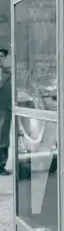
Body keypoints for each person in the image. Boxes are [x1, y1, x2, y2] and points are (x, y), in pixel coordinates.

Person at [0, 47, 11, 176]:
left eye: (2, 56)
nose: (0, 58)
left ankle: (1, 165)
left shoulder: (8, 73)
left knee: (4, 138)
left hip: (5, 109)